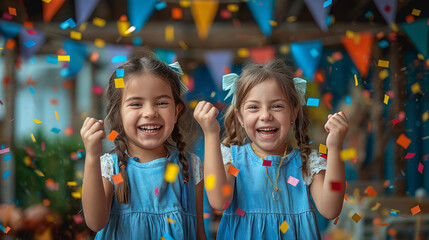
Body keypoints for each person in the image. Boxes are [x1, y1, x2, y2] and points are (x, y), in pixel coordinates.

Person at [194, 59, 349, 239]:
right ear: (240, 116)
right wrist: (211, 134)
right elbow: (219, 201)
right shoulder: (233, 160)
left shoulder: (308, 162)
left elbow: (331, 210)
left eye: (277, 106)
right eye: (253, 107)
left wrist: (336, 147)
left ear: (293, 112)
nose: (266, 115)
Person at [80, 54, 206, 239]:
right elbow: (95, 222)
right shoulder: (110, 167)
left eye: (161, 103)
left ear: (177, 111)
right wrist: (91, 156)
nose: (150, 113)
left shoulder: (191, 167)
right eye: (136, 104)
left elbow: (198, 232)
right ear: (118, 114)